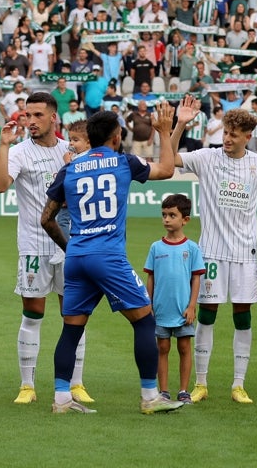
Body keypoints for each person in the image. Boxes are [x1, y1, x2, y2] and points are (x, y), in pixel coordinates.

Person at [40, 102, 197, 415]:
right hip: (108, 256)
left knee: (71, 329)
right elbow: (167, 170)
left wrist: (70, 248)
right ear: (116, 137)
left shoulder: (70, 168)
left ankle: (61, 399)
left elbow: (46, 219)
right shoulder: (124, 162)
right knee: (144, 320)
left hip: (77, 256)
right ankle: (150, 396)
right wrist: (164, 131)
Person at [178, 107, 257, 405]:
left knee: (242, 315)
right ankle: (201, 383)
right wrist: (180, 124)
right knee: (207, 314)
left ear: (247, 137)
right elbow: (171, 159)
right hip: (211, 252)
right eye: (225, 132)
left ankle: (238, 385)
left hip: (244, 253)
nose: (226, 138)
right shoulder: (207, 157)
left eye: (233, 135)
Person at [0, 91, 90, 405]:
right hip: (34, 245)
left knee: (73, 315)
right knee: (33, 314)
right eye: (27, 116)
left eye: (37, 115)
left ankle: (76, 384)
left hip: (69, 246)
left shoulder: (70, 149)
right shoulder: (19, 152)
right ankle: (27, 386)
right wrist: (3, 146)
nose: (31, 121)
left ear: (53, 117)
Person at [144, 194, 204, 405]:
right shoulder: (156, 247)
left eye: (172, 215)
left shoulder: (192, 248)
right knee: (162, 348)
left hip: (183, 310)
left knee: (184, 348)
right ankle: (164, 391)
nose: (166, 219)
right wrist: (149, 304)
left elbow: (196, 279)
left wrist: (192, 306)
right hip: (161, 309)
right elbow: (151, 278)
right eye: (164, 215)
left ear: (185, 219)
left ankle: (184, 391)